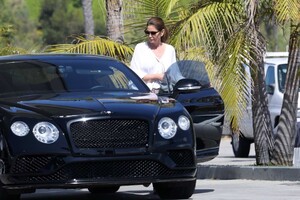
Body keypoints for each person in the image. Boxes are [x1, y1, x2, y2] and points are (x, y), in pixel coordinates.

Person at [130, 17, 179, 93]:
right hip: (144, 94)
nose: (150, 36)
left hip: (166, 94)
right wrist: (158, 76)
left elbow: (175, 74)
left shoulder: (170, 50)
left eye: (153, 33)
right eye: (147, 33)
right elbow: (134, 75)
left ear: (161, 32)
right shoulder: (140, 48)